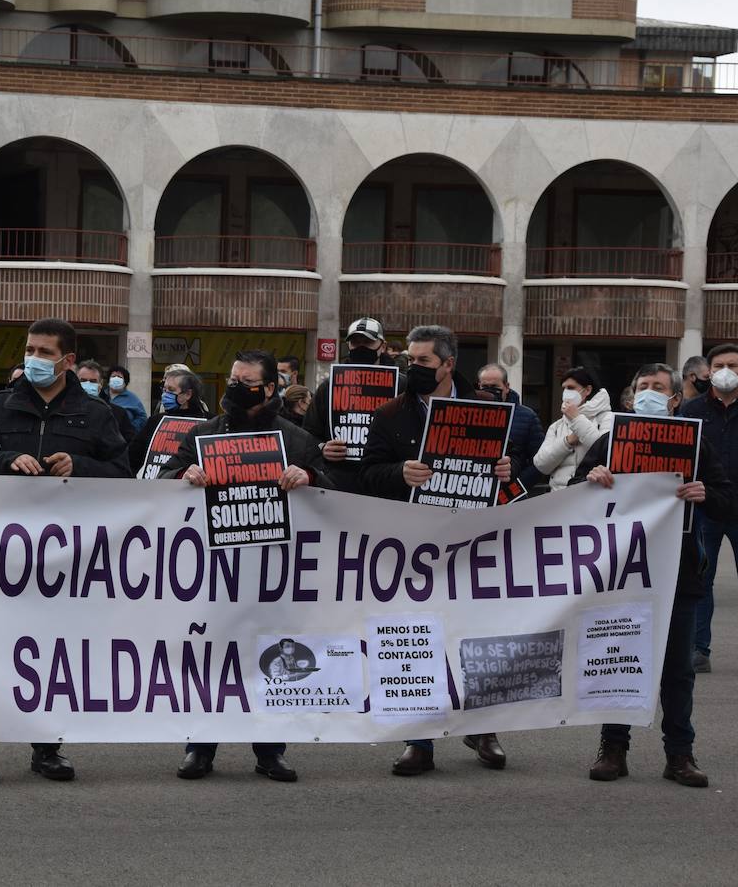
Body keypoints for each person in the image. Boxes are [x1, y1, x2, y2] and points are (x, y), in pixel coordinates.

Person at [0, 318, 130, 786]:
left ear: (67, 361)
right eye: (30, 350)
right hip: (0, 556)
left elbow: (123, 475)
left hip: (65, 560)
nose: (34, 360)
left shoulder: (97, 414)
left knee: (52, 651)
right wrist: (6, 461)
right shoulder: (1, 408)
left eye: (45, 353)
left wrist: (79, 465)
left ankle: (48, 747)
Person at [160, 349, 333, 783]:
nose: (235, 388)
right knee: (212, 658)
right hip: (215, 572)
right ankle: (200, 745)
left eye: (246, 382)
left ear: (270, 388)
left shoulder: (295, 438)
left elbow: (333, 494)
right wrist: (184, 476)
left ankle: (270, 750)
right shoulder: (205, 433)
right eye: (232, 380)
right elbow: (162, 481)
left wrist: (309, 479)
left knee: (270, 655)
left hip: (275, 574)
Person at [360, 324, 513, 776]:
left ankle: (483, 728)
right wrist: (398, 473)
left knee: (479, 638)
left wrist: (508, 466)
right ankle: (419, 741)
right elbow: (366, 474)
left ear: (448, 364)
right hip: (415, 547)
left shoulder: (488, 408)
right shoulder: (389, 415)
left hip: (472, 544)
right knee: (419, 640)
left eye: (423, 361)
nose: (414, 367)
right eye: (410, 360)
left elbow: (516, 465)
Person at [576, 362, 732, 788]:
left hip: (679, 573)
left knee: (677, 670)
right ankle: (613, 749)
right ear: (631, 398)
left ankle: (680, 755)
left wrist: (706, 494)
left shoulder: (696, 445)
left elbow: (727, 501)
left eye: (658, 388)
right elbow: (573, 493)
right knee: (618, 661)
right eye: (642, 387)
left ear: (674, 398)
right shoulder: (610, 443)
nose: (649, 393)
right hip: (622, 572)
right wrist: (591, 477)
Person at [680, 344, 738, 676]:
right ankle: (698, 649)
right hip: (704, 511)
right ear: (708, 371)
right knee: (701, 582)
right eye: (719, 364)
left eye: (732, 364)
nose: (726, 370)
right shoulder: (691, 411)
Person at [302, 316, 399, 496]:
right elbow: (308, 434)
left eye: (368, 342)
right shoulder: (329, 386)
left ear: (382, 346)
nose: (361, 347)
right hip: (340, 483)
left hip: (384, 484)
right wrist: (323, 447)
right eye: (356, 342)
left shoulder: (401, 386)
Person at [532, 367, 613, 493]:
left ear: (587, 390)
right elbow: (541, 464)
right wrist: (567, 441)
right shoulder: (557, 426)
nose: (565, 393)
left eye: (570, 388)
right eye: (564, 388)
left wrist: (577, 419)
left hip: (590, 495)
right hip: (559, 496)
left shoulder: (606, 418)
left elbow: (605, 453)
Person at [129, 368, 206, 474]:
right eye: (164, 390)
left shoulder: (207, 423)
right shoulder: (155, 421)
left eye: (171, 390)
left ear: (188, 394)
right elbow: (133, 457)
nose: (164, 395)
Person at [477, 363, 544, 484]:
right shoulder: (467, 414)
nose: (490, 390)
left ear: (506, 387)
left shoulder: (528, 417)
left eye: (494, 386)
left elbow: (540, 461)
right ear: (479, 386)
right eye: (485, 386)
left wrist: (516, 487)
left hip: (510, 495)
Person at [78, 359, 137, 445]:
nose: (87, 384)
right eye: (83, 381)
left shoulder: (117, 413)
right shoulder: (64, 410)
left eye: (93, 381)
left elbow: (129, 444)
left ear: (101, 384)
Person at [107, 365, 147, 433]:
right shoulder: (102, 394)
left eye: (119, 377)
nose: (116, 378)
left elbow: (142, 417)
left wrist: (131, 428)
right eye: (113, 376)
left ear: (125, 382)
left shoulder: (132, 398)